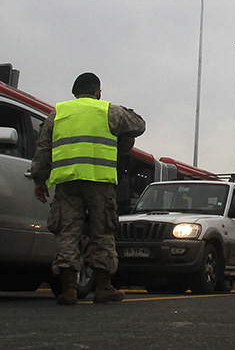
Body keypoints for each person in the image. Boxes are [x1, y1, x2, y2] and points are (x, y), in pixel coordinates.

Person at [30, 72, 146, 305]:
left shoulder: (58, 113)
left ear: (74, 93)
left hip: (67, 182)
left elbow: (43, 149)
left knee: (68, 232)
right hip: (99, 181)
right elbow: (139, 125)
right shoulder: (109, 111)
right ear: (98, 92)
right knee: (102, 231)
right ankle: (103, 287)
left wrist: (40, 181)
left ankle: (68, 289)